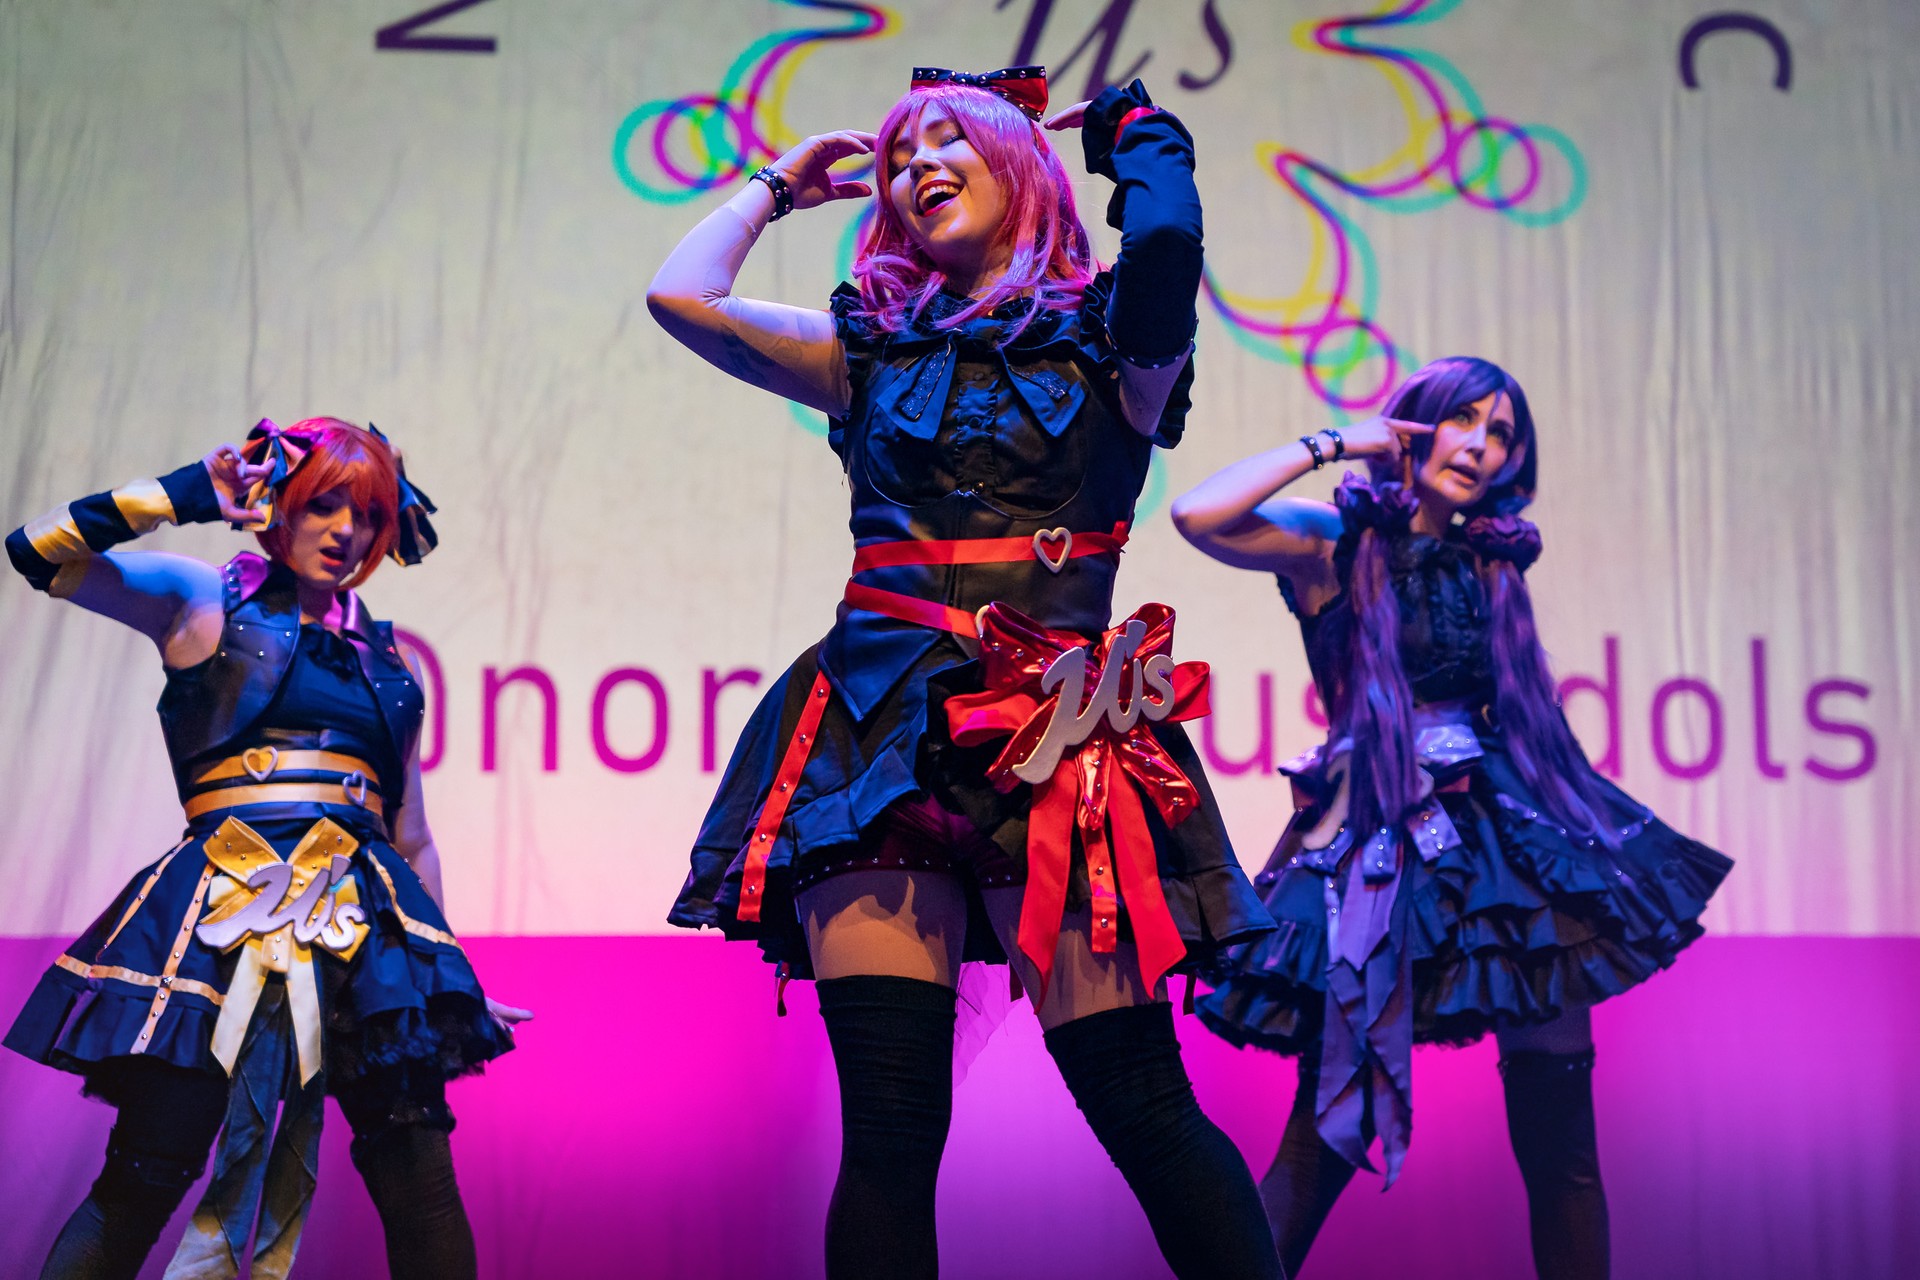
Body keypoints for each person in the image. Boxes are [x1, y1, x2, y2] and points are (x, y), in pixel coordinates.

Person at [649, 66, 1282, 1279]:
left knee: (1146, 1105)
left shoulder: (1117, 345)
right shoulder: (868, 347)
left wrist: (1136, 132)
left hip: (1060, 738)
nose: (915, 166)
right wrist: (777, 187)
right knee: (889, 1132)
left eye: (948, 140)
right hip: (875, 731)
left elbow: (1164, 243)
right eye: (899, 155)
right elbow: (682, 295)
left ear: (1020, 165)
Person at [1170, 357, 1734, 1279]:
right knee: (1330, 1130)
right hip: (1378, 849)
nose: (1479, 445)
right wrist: (1336, 443)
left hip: (1506, 849)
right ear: (1415, 426)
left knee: (1563, 1146)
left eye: (1500, 432)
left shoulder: (1491, 563)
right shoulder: (1337, 543)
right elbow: (1198, 514)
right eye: (1463, 420)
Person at [5, 419, 526, 1280]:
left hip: (364, 935)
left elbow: (412, 836)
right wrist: (186, 494)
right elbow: (37, 551)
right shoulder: (203, 601)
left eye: (366, 513)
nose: (346, 531)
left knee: (423, 1190)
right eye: (323, 505)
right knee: (142, 1180)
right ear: (279, 505)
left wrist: (446, 975)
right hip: (218, 920)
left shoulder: (390, 658)